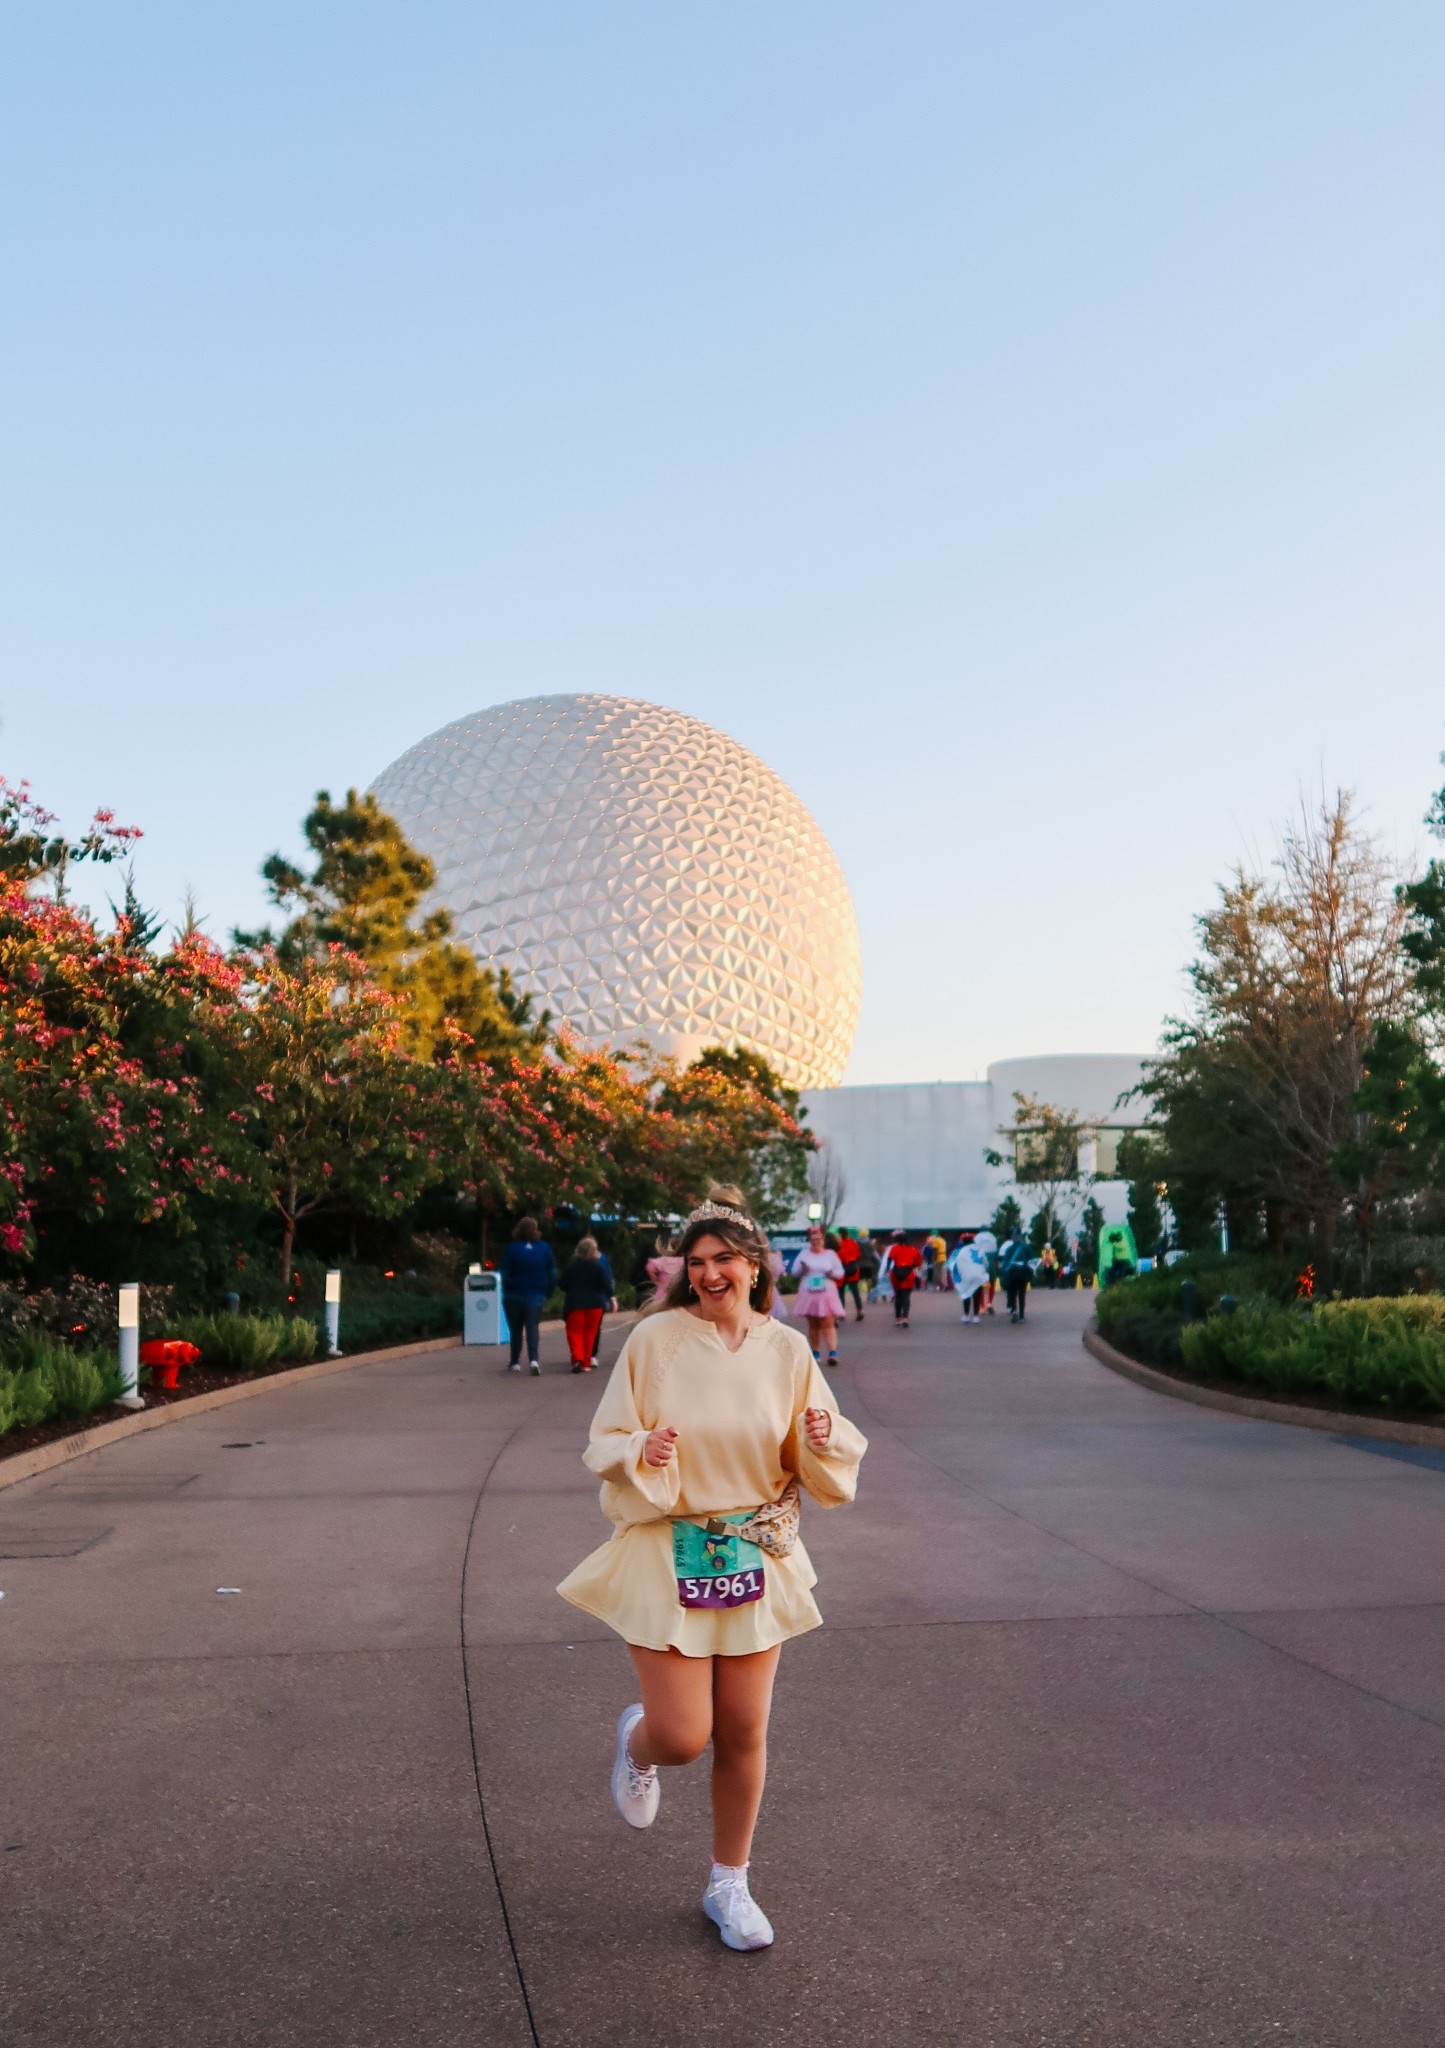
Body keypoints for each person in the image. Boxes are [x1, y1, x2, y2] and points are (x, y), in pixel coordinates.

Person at [557, 1186, 868, 1953]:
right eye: (695, 1262)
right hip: (670, 1550)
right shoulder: (655, 1341)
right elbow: (606, 1436)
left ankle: (729, 1883)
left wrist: (822, 1434)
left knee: (742, 1727)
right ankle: (639, 1745)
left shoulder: (788, 1350)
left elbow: (812, 1452)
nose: (708, 1274)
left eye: (723, 1259)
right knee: (682, 1732)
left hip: (756, 1549)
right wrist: (640, 1450)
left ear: (755, 1266)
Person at [500, 1216, 558, 1374]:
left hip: (514, 1294)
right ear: (535, 1230)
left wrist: (506, 1289)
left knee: (516, 1329)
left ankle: (515, 1362)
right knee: (532, 1327)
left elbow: (504, 1273)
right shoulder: (544, 1248)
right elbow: (552, 1273)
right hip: (536, 1294)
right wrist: (548, 1293)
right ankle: (533, 1360)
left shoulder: (511, 1248)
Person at [789, 1224, 846, 1366]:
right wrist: (803, 1270)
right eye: (813, 1239)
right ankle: (815, 1352)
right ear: (810, 1241)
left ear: (823, 1239)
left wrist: (832, 1274)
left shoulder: (830, 1254)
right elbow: (794, 1271)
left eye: (819, 1239)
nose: (816, 1242)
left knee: (828, 1322)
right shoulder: (804, 1254)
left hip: (826, 1291)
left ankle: (833, 1352)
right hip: (809, 1291)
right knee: (813, 1324)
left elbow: (840, 1272)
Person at [561, 1235, 617, 1373]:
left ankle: (577, 1358)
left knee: (574, 1333)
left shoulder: (571, 1267)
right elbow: (606, 1285)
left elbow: (562, 1284)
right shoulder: (598, 1267)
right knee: (590, 1334)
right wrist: (613, 1299)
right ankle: (586, 1363)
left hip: (575, 1304)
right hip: (595, 1304)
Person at [880, 1230, 922, 1327]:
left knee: (898, 1296)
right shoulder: (912, 1249)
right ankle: (905, 1318)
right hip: (908, 1273)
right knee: (906, 1297)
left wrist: (887, 1270)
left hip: (896, 1272)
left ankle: (898, 1318)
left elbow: (890, 1260)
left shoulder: (894, 1248)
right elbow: (918, 1263)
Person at [947, 1234, 990, 1324]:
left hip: (965, 1277)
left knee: (966, 1294)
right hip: (978, 1276)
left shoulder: (958, 1251)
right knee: (977, 1296)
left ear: (962, 1241)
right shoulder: (979, 1249)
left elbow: (950, 1264)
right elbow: (986, 1263)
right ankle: (976, 1317)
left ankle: (966, 1315)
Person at [999, 1231, 1033, 1324]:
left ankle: (1014, 1311)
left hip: (1012, 1274)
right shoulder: (1026, 1247)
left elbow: (1005, 1263)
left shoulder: (1009, 1249)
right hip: (1023, 1274)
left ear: (1013, 1237)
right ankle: (1021, 1315)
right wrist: (1030, 1273)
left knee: (1012, 1294)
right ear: (1020, 1237)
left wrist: (1003, 1275)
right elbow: (1031, 1261)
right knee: (1022, 1295)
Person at [836, 1226, 865, 1321]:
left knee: (841, 1292)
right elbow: (858, 1256)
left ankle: (841, 1312)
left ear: (840, 1234)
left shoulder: (838, 1244)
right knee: (855, 1292)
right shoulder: (853, 1242)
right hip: (853, 1268)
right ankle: (859, 1311)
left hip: (842, 1268)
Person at [646, 1233, 683, 1304]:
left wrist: (655, 1280)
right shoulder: (685, 1260)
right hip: (680, 1294)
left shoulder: (663, 1260)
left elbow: (650, 1267)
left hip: (662, 1295)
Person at [972, 1228, 999, 1315]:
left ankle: (982, 1307)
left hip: (981, 1260)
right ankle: (990, 1303)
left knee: (980, 1284)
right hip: (991, 1259)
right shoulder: (992, 1237)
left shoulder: (977, 1237)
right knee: (992, 1282)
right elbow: (996, 1253)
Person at [856, 1230, 881, 1306]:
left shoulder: (856, 1243)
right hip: (869, 1265)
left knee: (857, 1282)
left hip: (859, 1265)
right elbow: (875, 1256)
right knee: (870, 1281)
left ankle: (858, 1297)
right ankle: (871, 1296)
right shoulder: (870, 1244)